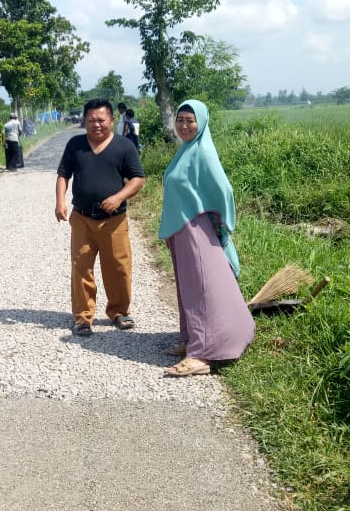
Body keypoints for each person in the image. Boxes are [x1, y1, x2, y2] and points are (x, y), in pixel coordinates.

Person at [158, 100, 255, 376]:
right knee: (190, 287)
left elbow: (224, 190)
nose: (184, 125)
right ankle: (193, 339)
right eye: (180, 120)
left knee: (202, 288)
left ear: (201, 122)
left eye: (190, 120)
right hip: (183, 231)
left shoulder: (203, 153)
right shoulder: (187, 151)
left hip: (197, 232)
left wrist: (223, 223)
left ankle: (202, 355)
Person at [56, 99, 145, 336]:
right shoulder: (75, 144)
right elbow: (63, 174)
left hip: (114, 219)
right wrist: (60, 202)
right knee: (81, 267)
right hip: (82, 218)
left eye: (101, 120)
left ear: (112, 121)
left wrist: (118, 197)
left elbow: (138, 179)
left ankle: (119, 312)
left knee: (118, 267)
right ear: (85, 121)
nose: (96, 124)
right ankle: (83, 317)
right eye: (91, 120)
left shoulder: (124, 146)